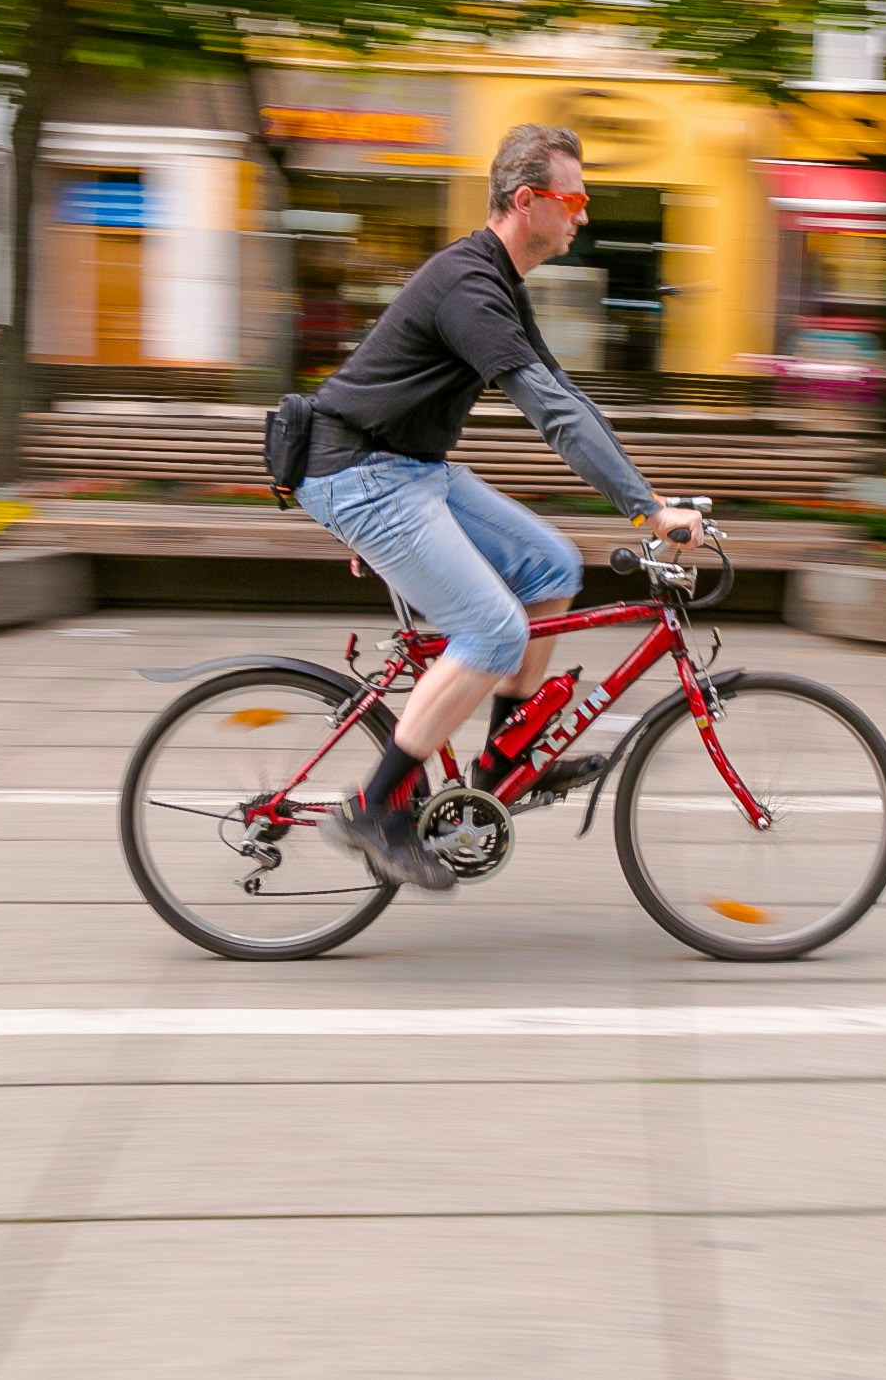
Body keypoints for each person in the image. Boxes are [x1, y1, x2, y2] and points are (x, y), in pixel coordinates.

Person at [294, 123, 708, 889]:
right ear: (528, 201)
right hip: (361, 473)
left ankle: (503, 763)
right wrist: (647, 511)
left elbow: (567, 398)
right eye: (575, 199)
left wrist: (649, 493)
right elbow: (548, 412)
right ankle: (375, 807)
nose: (583, 215)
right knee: (492, 627)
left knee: (550, 563)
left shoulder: (498, 283)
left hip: (408, 469)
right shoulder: (471, 287)